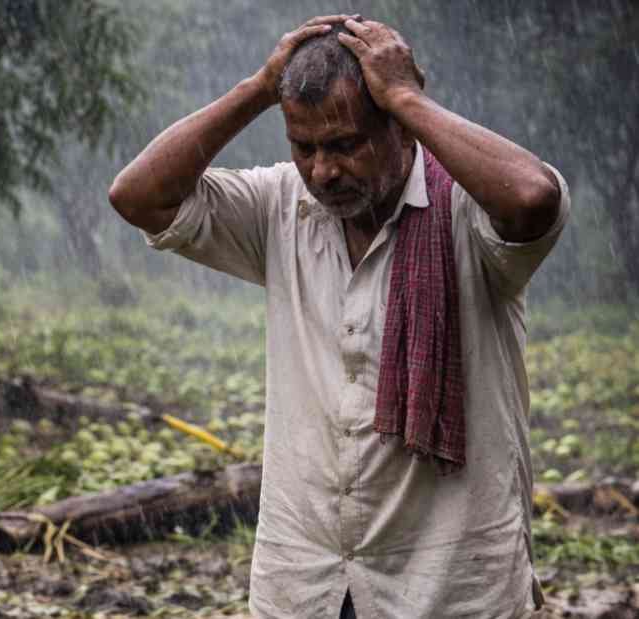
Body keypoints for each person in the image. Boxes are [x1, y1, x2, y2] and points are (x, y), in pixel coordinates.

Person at [109, 14, 568, 619]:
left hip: (447, 584)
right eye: (305, 148)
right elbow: (137, 196)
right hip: (307, 581)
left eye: (346, 145)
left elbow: (534, 198)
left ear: (400, 130)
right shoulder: (280, 205)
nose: (323, 171)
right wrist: (258, 88)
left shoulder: (467, 211)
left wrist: (406, 96)